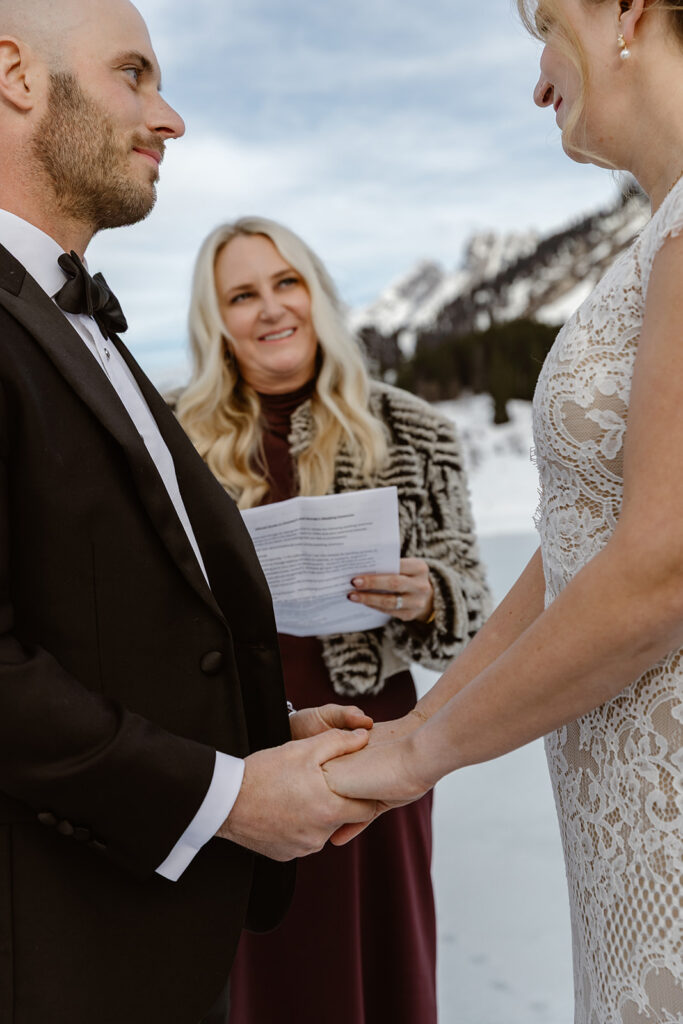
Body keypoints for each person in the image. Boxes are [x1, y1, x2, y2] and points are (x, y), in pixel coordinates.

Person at [0, 3, 379, 1022]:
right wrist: (227, 796)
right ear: (16, 76)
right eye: (135, 75)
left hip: (154, 947)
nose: (169, 118)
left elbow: (90, 614)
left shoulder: (82, 324)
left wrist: (260, 732)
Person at [325, 1, 683, 1021]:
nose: (535, 82)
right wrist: (414, 734)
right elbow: (585, 542)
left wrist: (416, 754)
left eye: (541, 26)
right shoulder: (652, 236)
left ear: (624, 11)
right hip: (627, 824)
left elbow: (658, 567)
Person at [176, 216, 490, 1024]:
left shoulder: (414, 430)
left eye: (286, 283)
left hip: (371, 734)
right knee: (260, 966)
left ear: (316, 294)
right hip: (233, 742)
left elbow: (471, 612)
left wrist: (430, 596)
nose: (270, 308)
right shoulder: (176, 438)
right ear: (216, 322)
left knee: (375, 953)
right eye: (241, 295)